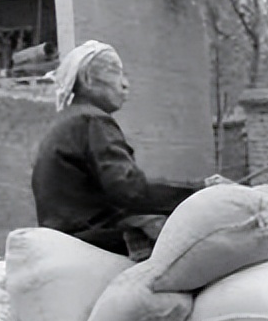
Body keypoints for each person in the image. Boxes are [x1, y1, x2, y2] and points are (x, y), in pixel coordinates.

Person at [31, 40, 220, 257]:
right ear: (87, 79)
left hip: (68, 234)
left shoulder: (68, 122)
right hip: (92, 237)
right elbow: (129, 190)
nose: (125, 84)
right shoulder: (92, 121)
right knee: (188, 238)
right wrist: (199, 193)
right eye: (116, 73)